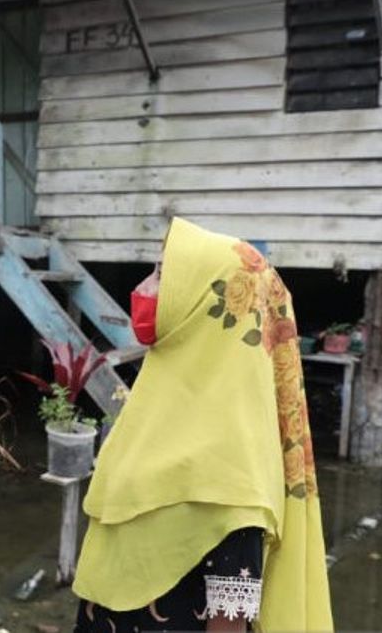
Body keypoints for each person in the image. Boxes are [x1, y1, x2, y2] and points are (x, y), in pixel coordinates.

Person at [72, 218, 333, 632]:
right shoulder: (155, 410)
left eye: (162, 274)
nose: (144, 288)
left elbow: (228, 622)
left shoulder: (233, 465)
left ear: (203, 304)